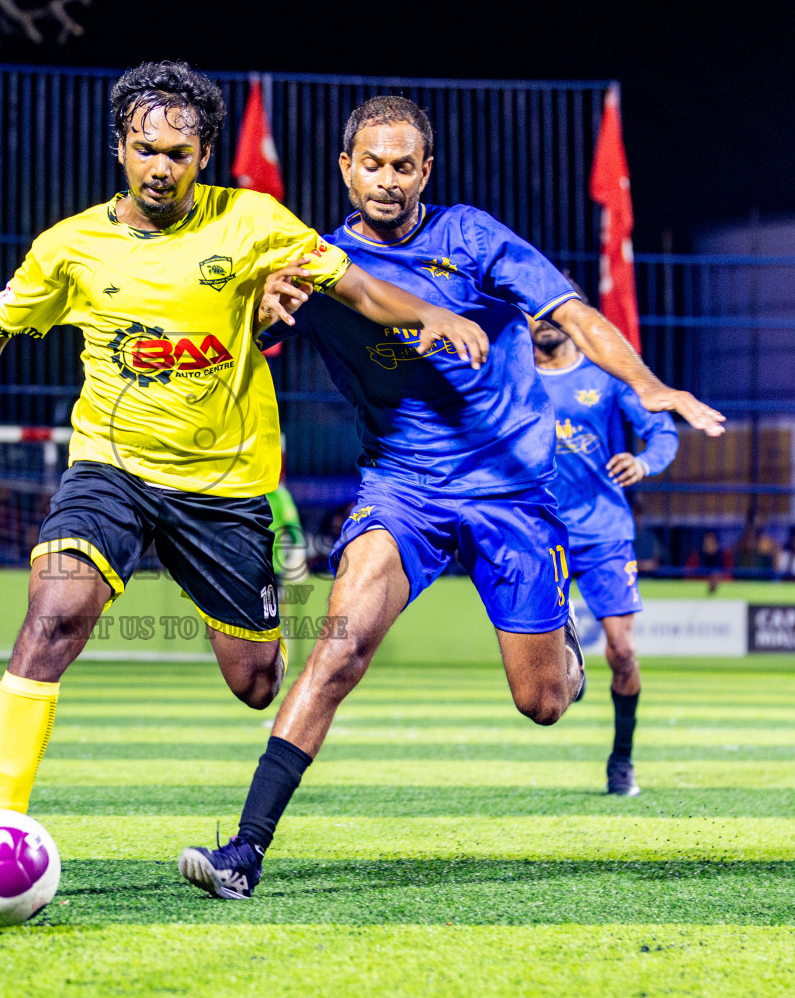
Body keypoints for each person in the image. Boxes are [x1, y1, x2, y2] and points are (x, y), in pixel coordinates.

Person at [177, 95, 723, 899]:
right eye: (373, 164)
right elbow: (239, 336)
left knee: (542, 704)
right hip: (402, 491)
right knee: (336, 651)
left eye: (404, 166)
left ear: (425, 170)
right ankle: (244, 853)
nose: (388, 181)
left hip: (513, 493)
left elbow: (575, 314)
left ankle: (564, 655)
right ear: (345, 168)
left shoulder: (472, 237)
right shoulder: (320, 262)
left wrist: (651, 385)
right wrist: (261, 313)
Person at [0, 63, 484, 819]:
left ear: (205, 153)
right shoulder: (68, 247)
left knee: (255, 684)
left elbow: (353, 285)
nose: (160, 167)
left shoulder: (252, 220)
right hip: (110, 468)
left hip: (225, 487)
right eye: (145, 149)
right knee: (52, 619)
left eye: (178, 154)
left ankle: (259, 621)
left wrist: (426, 313)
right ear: (121, 146)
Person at [532, 310, 678, 797]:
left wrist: (644, 462)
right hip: (542, 532)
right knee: (549, 677)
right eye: (534, 312)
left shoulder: (605, 375)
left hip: (605, 532)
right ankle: (571, 658)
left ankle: (621, 760)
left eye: (552, 311)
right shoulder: (514, 377)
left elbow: (663, 432)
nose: (544, 321)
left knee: (623, 652)